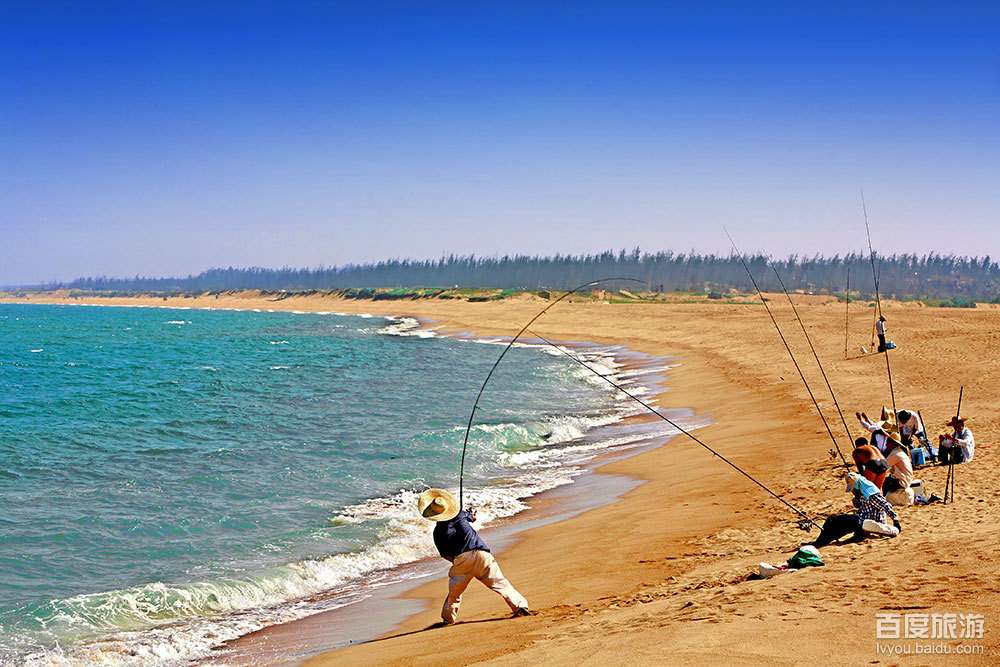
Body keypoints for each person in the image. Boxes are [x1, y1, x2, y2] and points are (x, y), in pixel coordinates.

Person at [418, 488, 532, 624]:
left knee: (454, 594)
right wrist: (470, 515)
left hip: (461, 560)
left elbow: (447, 556)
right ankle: (519, 606)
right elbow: (473, 518)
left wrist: (460, 563)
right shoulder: (460, 514)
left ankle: (448, 619)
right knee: (500, 583)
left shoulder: (438, 533)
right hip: (482, 554)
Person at [811, 473, 900, 548]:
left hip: (866, 522)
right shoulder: (861, 493)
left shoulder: (872, 495)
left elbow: (886, 506)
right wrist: (856, 497)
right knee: (834, 521)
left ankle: (821, 542)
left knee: (834, 519)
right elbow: (858, 505)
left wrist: (895, 521)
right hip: (860, 518)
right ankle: (821, 542)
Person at [882, 435, 915, 505]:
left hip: (902, 481)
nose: (886, 444)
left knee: (882, 482)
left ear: (893, 444)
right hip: (905, 479)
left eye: (888, 443)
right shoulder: (899, 452)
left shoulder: (896, 454)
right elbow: (890, 467)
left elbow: (884, 465)